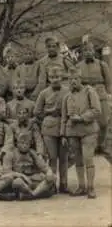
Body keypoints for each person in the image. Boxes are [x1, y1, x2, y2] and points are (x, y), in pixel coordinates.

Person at [61, 67, 101, 198]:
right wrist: (63, 134)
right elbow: (64, 117)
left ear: (80, 79)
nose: (73, 82)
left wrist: (82, 117)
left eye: (75, 79)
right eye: (70, 79)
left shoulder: (90, 92)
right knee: (78, 160)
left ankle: (91, 187)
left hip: (88, 130)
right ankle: (81, 186)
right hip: (72, 132)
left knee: (88, 158)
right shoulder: (67, 96)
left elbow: (96, 110)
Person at [34, 66, 70, 193]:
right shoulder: (44, 93)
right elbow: (37, 111)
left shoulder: (68, 91)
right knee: (53, 157)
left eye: (58, 77)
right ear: (49, 78)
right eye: (53, 77)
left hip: (64, 127)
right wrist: (48, 115)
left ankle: (64, 184)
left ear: (62, 77)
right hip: (49, 128)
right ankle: (52, 184)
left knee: (64, 157)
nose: (55, 80)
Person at [0, 132, 56, 200]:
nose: (24, 146)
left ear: (29, 145)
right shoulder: (10, 153)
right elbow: (6, 171)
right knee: (17, 182)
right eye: (22, 143)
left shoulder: (32, 153)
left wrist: (49, 172)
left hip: (31, 179)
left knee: (52, 177)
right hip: (19, 179)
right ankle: (37, 193)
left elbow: (44, 167)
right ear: (17, 144)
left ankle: (31, 195)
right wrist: (21, 175)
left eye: (26, 144)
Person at [76, 40, 111, 154]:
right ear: (82, 53)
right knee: (87, 121)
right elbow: (76, 82)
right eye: (85, 51)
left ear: (94, 51)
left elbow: (109, 82)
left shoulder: (102, 64)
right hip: (86, 96)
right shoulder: (78, 66)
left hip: (101, 95)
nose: (88, 53)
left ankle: (101, 145)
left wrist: (109, 94)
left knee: (104, 122)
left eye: (90, 50)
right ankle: (89, 146)